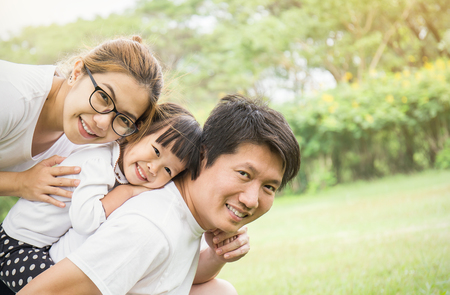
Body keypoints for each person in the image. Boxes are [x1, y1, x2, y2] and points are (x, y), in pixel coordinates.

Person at [17, 94, 301, 295]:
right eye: (244, 174)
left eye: (269, 187)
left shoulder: (184, 216)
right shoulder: (149, 227)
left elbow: (177, 272)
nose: (252, 200)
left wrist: (216, 256)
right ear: (203, 156)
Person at [0, 102, 202, 292]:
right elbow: (86, 220)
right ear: (137, 131)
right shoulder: (99, 163)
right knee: (63, 287)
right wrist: (126, 192)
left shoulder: (121, 167)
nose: (153, 168)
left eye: (168, 169)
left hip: (36, 245)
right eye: (156, 151)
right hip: (16, 247)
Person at [0, 35, 163, 208]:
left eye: (123, 119)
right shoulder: (13, 94)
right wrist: (20, 183)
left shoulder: (85, 143)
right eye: (103, 97)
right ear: (77, 73)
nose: (102, 123)